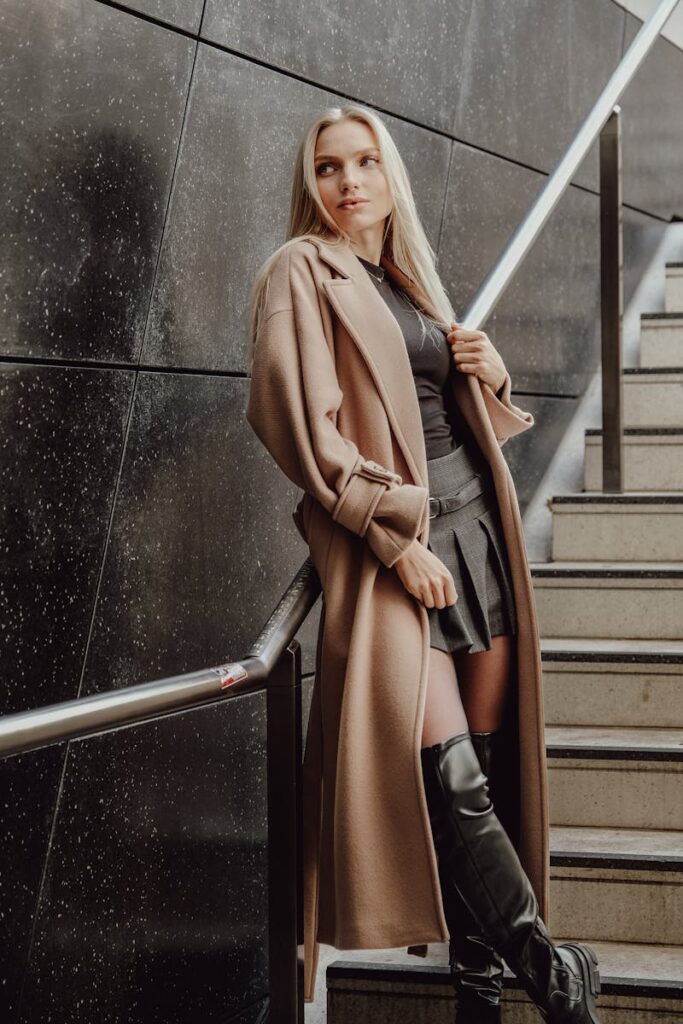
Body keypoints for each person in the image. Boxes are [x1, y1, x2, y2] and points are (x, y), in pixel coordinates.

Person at [246, 104, 602, 1023]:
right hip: (398, 552)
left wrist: (483, 369)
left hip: (476, 532)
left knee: (483, 767)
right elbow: (295, 428)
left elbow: (432, 409)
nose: (348, 181)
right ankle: (555, 979)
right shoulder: (299, 270)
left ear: (390, 174)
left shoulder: (405, 277)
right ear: (311, 181)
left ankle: (479, 995)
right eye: (330, 166)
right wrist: (394, 542)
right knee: (450, 778)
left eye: (366, 162)